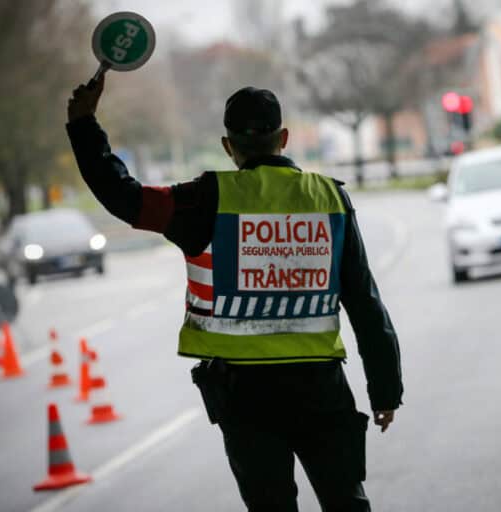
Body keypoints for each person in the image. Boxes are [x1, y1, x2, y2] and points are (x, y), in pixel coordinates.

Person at [66, 74, 403, 511]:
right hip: (322, 390)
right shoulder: (329, 198)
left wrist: (84, 124)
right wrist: (385, 390)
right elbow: (364, 302)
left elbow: (123, 196)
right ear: (283, 138)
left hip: (245, 400)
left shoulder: (204, 200)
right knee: (346, 503)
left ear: (229, 146)